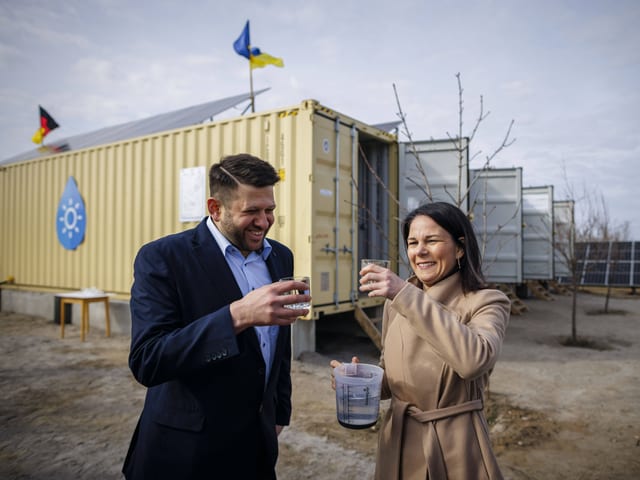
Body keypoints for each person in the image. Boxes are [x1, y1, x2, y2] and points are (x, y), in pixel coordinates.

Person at [123, 153, 311, 480]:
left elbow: (279, 346)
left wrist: (279, 410)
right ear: (215, 208)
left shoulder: (281, 256)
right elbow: (147, 360)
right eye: (251, 211)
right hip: (185, 453)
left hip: (256, 447)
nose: (263, 222)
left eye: (270, 210)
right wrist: (238, 316)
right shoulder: (163, 258)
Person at [331, 201, 511, 480]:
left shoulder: (487, 301)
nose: (419, 251)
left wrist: (405, 294)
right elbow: (393, 379)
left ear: (460, 247)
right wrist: (361, 381)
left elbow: (473, 360)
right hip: (398, 444)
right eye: (413, 242)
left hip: (455, 447)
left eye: (432, 240)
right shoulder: (397, 302)